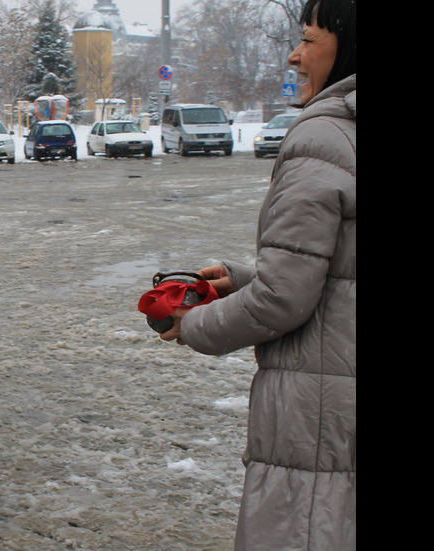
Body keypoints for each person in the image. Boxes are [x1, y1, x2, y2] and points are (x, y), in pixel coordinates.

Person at [159, 0, 355, 548]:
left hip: (321, 411)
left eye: (310, 39)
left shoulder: (324, 140)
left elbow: (282, 300)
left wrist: (189, 324)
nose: (295, 56)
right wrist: (246, 277)